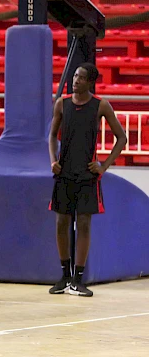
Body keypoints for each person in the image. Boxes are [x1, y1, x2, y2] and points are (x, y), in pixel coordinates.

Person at [48, 63, 126, 297]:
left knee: (83, 224)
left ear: (90, 82)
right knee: (61, 223)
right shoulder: (62, 103)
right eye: (74, 76)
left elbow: (121, 138)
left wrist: (103, 166)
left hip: (87, 174)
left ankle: (78, 278)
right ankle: (64, 274)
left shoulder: (100, 105)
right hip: (64, 172)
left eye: (81, 78)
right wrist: (53, 159)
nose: (75, 81)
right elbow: (52, 135)